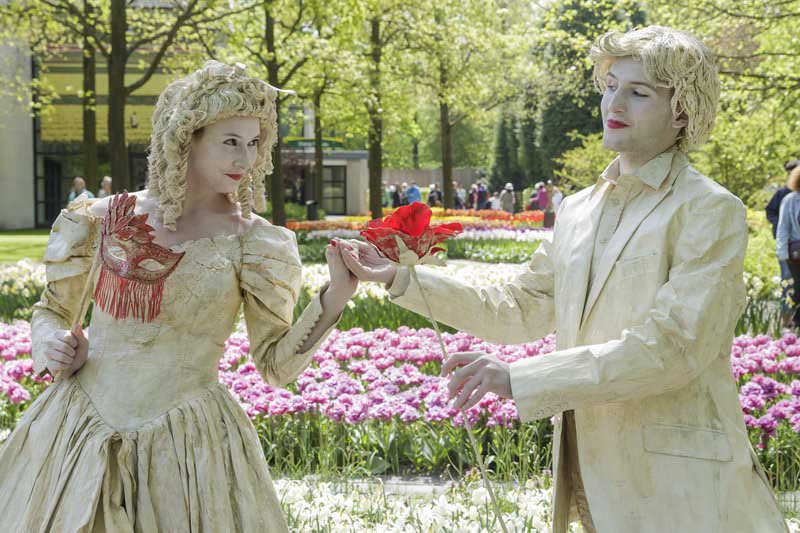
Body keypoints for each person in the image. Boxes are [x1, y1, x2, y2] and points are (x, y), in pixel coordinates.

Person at [338, 26, 787, 533]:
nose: (613, 102)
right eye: (611, 84)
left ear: (681, 109)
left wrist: (523, 379)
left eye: (638, 92)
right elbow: (519, 304)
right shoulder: (576, 209)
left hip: (682, 488)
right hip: (589, 484)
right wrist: (400, 279)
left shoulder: (710, 210)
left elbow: (673, 347)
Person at [0, 61, 358, 532]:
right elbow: (50, 313)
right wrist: (53, 345)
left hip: (189, 448)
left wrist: (335, 295)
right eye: (230, 142)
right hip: (77, 431)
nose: (244, 160)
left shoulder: (256, 243)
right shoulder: (100, 218)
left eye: (253, 144)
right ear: (187, 139)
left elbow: (275, 365)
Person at [767, 160, 800, 327]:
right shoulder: (788, 198)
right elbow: (782, 227)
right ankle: (787, 322)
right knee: (791, 286)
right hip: (793, 253)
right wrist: (782, 254)